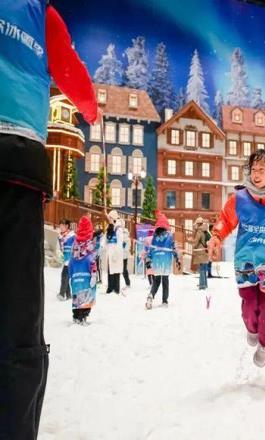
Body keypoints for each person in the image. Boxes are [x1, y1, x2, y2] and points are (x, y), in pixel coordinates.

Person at [0, 2, 97, 438]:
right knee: (18, 314)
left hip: (20, 164)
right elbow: (77, 83)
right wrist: (90, 111)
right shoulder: (39, 14)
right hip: (17, 163)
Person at [208, 149, 265, 367]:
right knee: (249, 306)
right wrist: (216, 237)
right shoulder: (240, 199)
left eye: (261, 170)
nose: (256, 174)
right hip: (245, 263)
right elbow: (225, 220)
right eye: (253, 169)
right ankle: (252, 329)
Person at [145, 214, 181, 309]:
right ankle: (164, 301)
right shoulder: (170, 236)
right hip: (166, 261)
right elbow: (174, 248)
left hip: (156, 261)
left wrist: (148, 260)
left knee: (156, 281)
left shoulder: (154, 236)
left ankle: (151, 295)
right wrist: (177, 259)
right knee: (165, 281)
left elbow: (151, 249)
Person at [68, 216, 97, 325]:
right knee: (87, 296)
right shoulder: (90, 245)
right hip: (86, 274)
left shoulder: (74, 245)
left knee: (76, 295)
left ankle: (76, 316)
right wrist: (94, 274)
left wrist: (70, 275)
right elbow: (92, 261)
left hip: (76, 274)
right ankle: (83, 316)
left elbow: (71, 261)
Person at [102, 210, 124, 294]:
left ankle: (116, 288)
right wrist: (102, 247)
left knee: (116, 271)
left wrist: (116, 253)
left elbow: (120, 242)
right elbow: (105, 239)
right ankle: (110, 287)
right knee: (110, 270)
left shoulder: (118, 228)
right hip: (109, 252)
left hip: (116, 253)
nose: (109, 219)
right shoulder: (109, 227)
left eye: (110, 218)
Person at [57, 218, 75, 301]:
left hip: (71, 260)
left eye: (62, 225)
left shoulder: (72, 236)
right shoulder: (61, 236)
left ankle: (62, 294)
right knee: (65, 276)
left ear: (67, 226)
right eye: (60, 225)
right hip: (65, 259)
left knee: (64, 276)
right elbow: (61, 248)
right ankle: (68, 295)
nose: (61, 227)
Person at [192, 217, 209, 290]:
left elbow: (196, 242)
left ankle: (202, 285)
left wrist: (193, 247)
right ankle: (205, 284)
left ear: (198, 224)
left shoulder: (199, 231)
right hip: (205, 251)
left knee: (201, 269)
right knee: (204, 269)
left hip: (200, 252)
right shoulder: (205, 230)